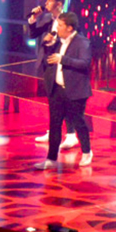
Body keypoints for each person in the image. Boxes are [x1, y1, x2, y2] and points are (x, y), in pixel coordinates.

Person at [34, 11, 93, 170]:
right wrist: (47, 45)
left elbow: (84, 63)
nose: (57, 28)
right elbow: (49, 59)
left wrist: (63, 59)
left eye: (60, 25)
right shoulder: (58, 41)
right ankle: (51, 159)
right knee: (55, 124)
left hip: (75, 90)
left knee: (78, 122)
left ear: (69, 28)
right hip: (57, 89)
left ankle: (87, 152)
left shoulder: (82, 42)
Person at [28, 0, 78, 150]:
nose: (46, 4)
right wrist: (33, 19)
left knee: (66, 99)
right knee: (53, 100)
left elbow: (75, 40)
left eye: (50, 1)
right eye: (47, 1)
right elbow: (33, 34)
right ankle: (53, 131)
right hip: (48, 62)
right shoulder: (47, 19)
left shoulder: (68, 19)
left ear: (59, 4)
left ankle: (71, 135)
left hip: (61, 62)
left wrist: (57, 40)